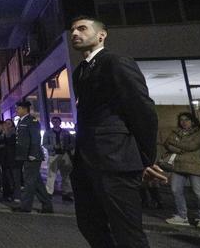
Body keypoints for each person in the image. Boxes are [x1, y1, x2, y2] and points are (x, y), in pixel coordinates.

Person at [69, 15, 163, 247]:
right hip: (85, 163)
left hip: (115, 161)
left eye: (82, 28)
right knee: (89, 224)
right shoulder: (79, 71)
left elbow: (142, 109)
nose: (75, 33)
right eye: (72, 30)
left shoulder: (116, 62)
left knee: (127, 232)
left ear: (101, 35)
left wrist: (145, 158)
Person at [162, 112, 200, 230]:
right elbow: (166, 143)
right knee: (175, 189)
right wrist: (178, 147)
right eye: (181, 120)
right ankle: (182, 216)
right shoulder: (176, 131)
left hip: (196, 166)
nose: (183, 122)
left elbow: (192, 146)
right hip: (178, 165)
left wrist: (174, 143)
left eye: (187, 120)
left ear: (193, 121)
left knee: (198, 192)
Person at [10, 100, 52, 213]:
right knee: (36, 182)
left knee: (29, 182)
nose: (16, 110)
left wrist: (32, 154)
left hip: (32, 156)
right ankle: (47, 206)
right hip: (26, 156)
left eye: (18, 108)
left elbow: (35, 138)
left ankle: (25, 206)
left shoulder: (32, 121)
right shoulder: (22, 121)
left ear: (25, 109)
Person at [43, 116, 74, 200]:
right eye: (53, 121)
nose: (55, 122)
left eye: (57, 121)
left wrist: (67, 147)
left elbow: (72, 143)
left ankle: (66, 193)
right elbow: (44, 144)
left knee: (66, 175)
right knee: (51, 175)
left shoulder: (66, 132)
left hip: (64, 155)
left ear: (60, 122)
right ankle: (49, 193)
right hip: (53, 155)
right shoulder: (48, 132)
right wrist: (53, 147)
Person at [0, 118, 19, 202]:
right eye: (6, 123)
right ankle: (6, 194)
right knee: (5, 177)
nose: (7, 125)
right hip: (4, 158)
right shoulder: (4, 132)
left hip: (12, 157)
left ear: (12, 124)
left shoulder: (14, 132)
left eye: (9, 123)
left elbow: (10, 142)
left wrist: (5, 134)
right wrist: (3, 133)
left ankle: (15, 194)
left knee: (13, 177)